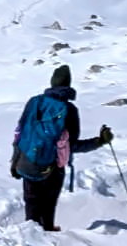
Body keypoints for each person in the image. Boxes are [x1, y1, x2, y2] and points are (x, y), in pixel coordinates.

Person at [10, 64, 113, 232]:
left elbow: (20, 133)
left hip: (26, 160)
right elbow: (72, 145)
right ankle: (48, 230)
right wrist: (100, 141)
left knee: (32, 200)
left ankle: (31, 234)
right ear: (68, 84)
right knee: (48, 202)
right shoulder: (69, 110)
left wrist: (15, 162)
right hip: (53, 167)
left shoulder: (34, 102)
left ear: (52, 82)